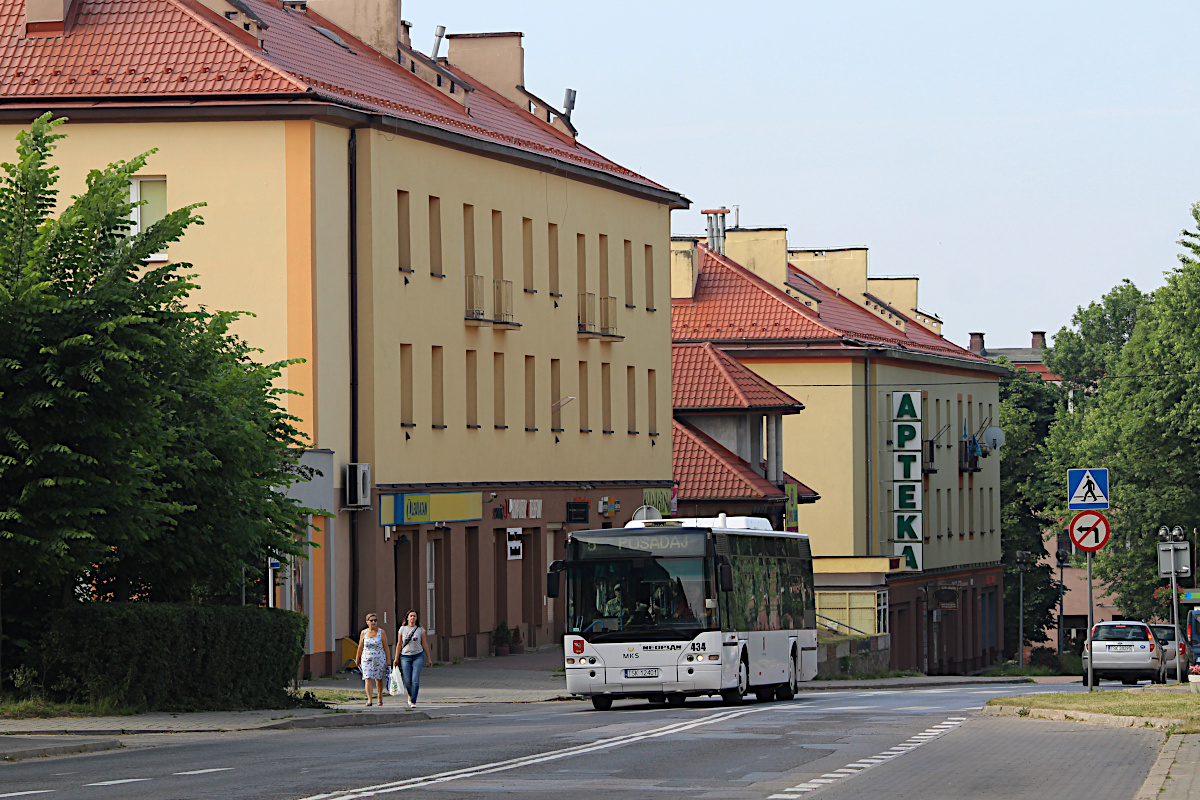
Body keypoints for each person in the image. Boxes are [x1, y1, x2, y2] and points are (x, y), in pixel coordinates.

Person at [393, 609, 431, 709]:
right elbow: (399, 644)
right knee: (407, 680)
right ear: (407, 618)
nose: (413, 618)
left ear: (416, 618)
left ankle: (413, 701)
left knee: (415, 680)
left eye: (414, 616)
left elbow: (425, 644)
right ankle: (410, 694)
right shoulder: (402, 629)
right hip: (405, 656)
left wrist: (429, 658)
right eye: (411, 616)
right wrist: (396, 658)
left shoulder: (420, 630)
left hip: (418, 655)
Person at [354, 612, 391, 707]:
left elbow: (386, 646)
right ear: (367, 622)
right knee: (367, 678)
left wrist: (388, 659)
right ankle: (369, 699)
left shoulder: (381, 632)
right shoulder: (364, 633)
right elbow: (360, 646)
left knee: (378, 679)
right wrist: (357, 658)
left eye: (375, 620)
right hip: (366, 658)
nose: (373, 622)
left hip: (379, 659)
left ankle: (379, 697)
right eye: (371, 620)